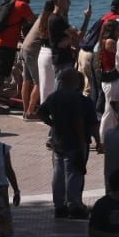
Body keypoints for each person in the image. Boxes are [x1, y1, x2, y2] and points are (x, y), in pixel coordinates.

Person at [39, 67, 99, 219]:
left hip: (58, 142)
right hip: (75, 142)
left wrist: (52, 123)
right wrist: (95, 142)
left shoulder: (54, 97)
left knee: (58, 174)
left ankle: (60, 206)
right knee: (74, 173)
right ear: (77, 81)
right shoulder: (81, 100)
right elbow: (85, 123)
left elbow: (41, 112)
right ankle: (74, 206)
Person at [19, 0, 53, 119]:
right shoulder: (48, 19)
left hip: (24, 48)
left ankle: (25, 111)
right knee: (38, 82)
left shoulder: (41, 17)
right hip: (32, 52)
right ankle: (30, 112)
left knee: (26, 81)